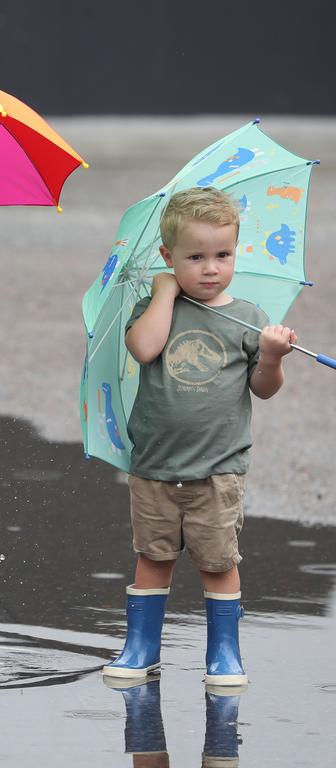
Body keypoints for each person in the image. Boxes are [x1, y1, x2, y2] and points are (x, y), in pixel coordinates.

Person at [102, 187, 296, 685]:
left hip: (218, 469)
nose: (211, 269)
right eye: (195, 258)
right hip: (156, 466)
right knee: (153, 557)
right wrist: (165, 292)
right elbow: (144, 349)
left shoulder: (249, 319)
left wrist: (271, 355)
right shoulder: (155, 306)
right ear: (168, 258)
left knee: (218, 562)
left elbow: (263, 388)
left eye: (222, 256)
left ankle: (224, 652)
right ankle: (141, 647)